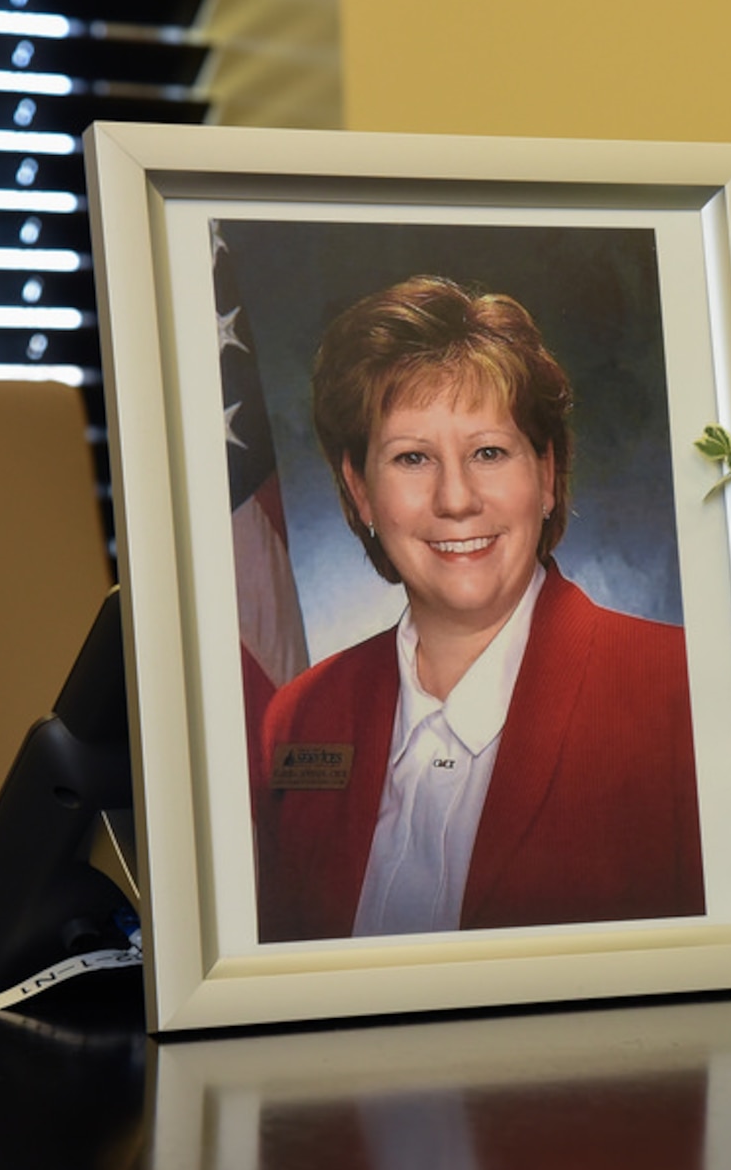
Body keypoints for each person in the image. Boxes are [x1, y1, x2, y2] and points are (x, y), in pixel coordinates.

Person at [254, 275, 703, 942]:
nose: (456, 499)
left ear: (547, 475)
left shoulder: (685, 692)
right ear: (360, 491)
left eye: (488, 452)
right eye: (412, 458)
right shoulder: (301, 715)